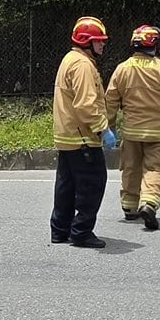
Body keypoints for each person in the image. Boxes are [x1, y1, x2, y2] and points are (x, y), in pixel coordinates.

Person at [106, 25, 160, 231]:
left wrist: (109, 126)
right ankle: (149, 203)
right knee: (156, 168)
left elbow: (111, 100)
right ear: (154, 44)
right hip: (158, 132)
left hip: (132, 132)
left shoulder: (122, 68)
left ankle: (129, 206)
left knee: (131, 167)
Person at [51, 16, 111, 249]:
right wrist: (103, 129)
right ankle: (81, 231)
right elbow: (86, 104)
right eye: (99, 41)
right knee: (93, 184)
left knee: (67, 186)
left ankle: (60, 230)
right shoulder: (83, 65)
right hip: (83, 137)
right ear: (87, 42)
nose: (102, 45)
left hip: (67, 136)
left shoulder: (70, 59)